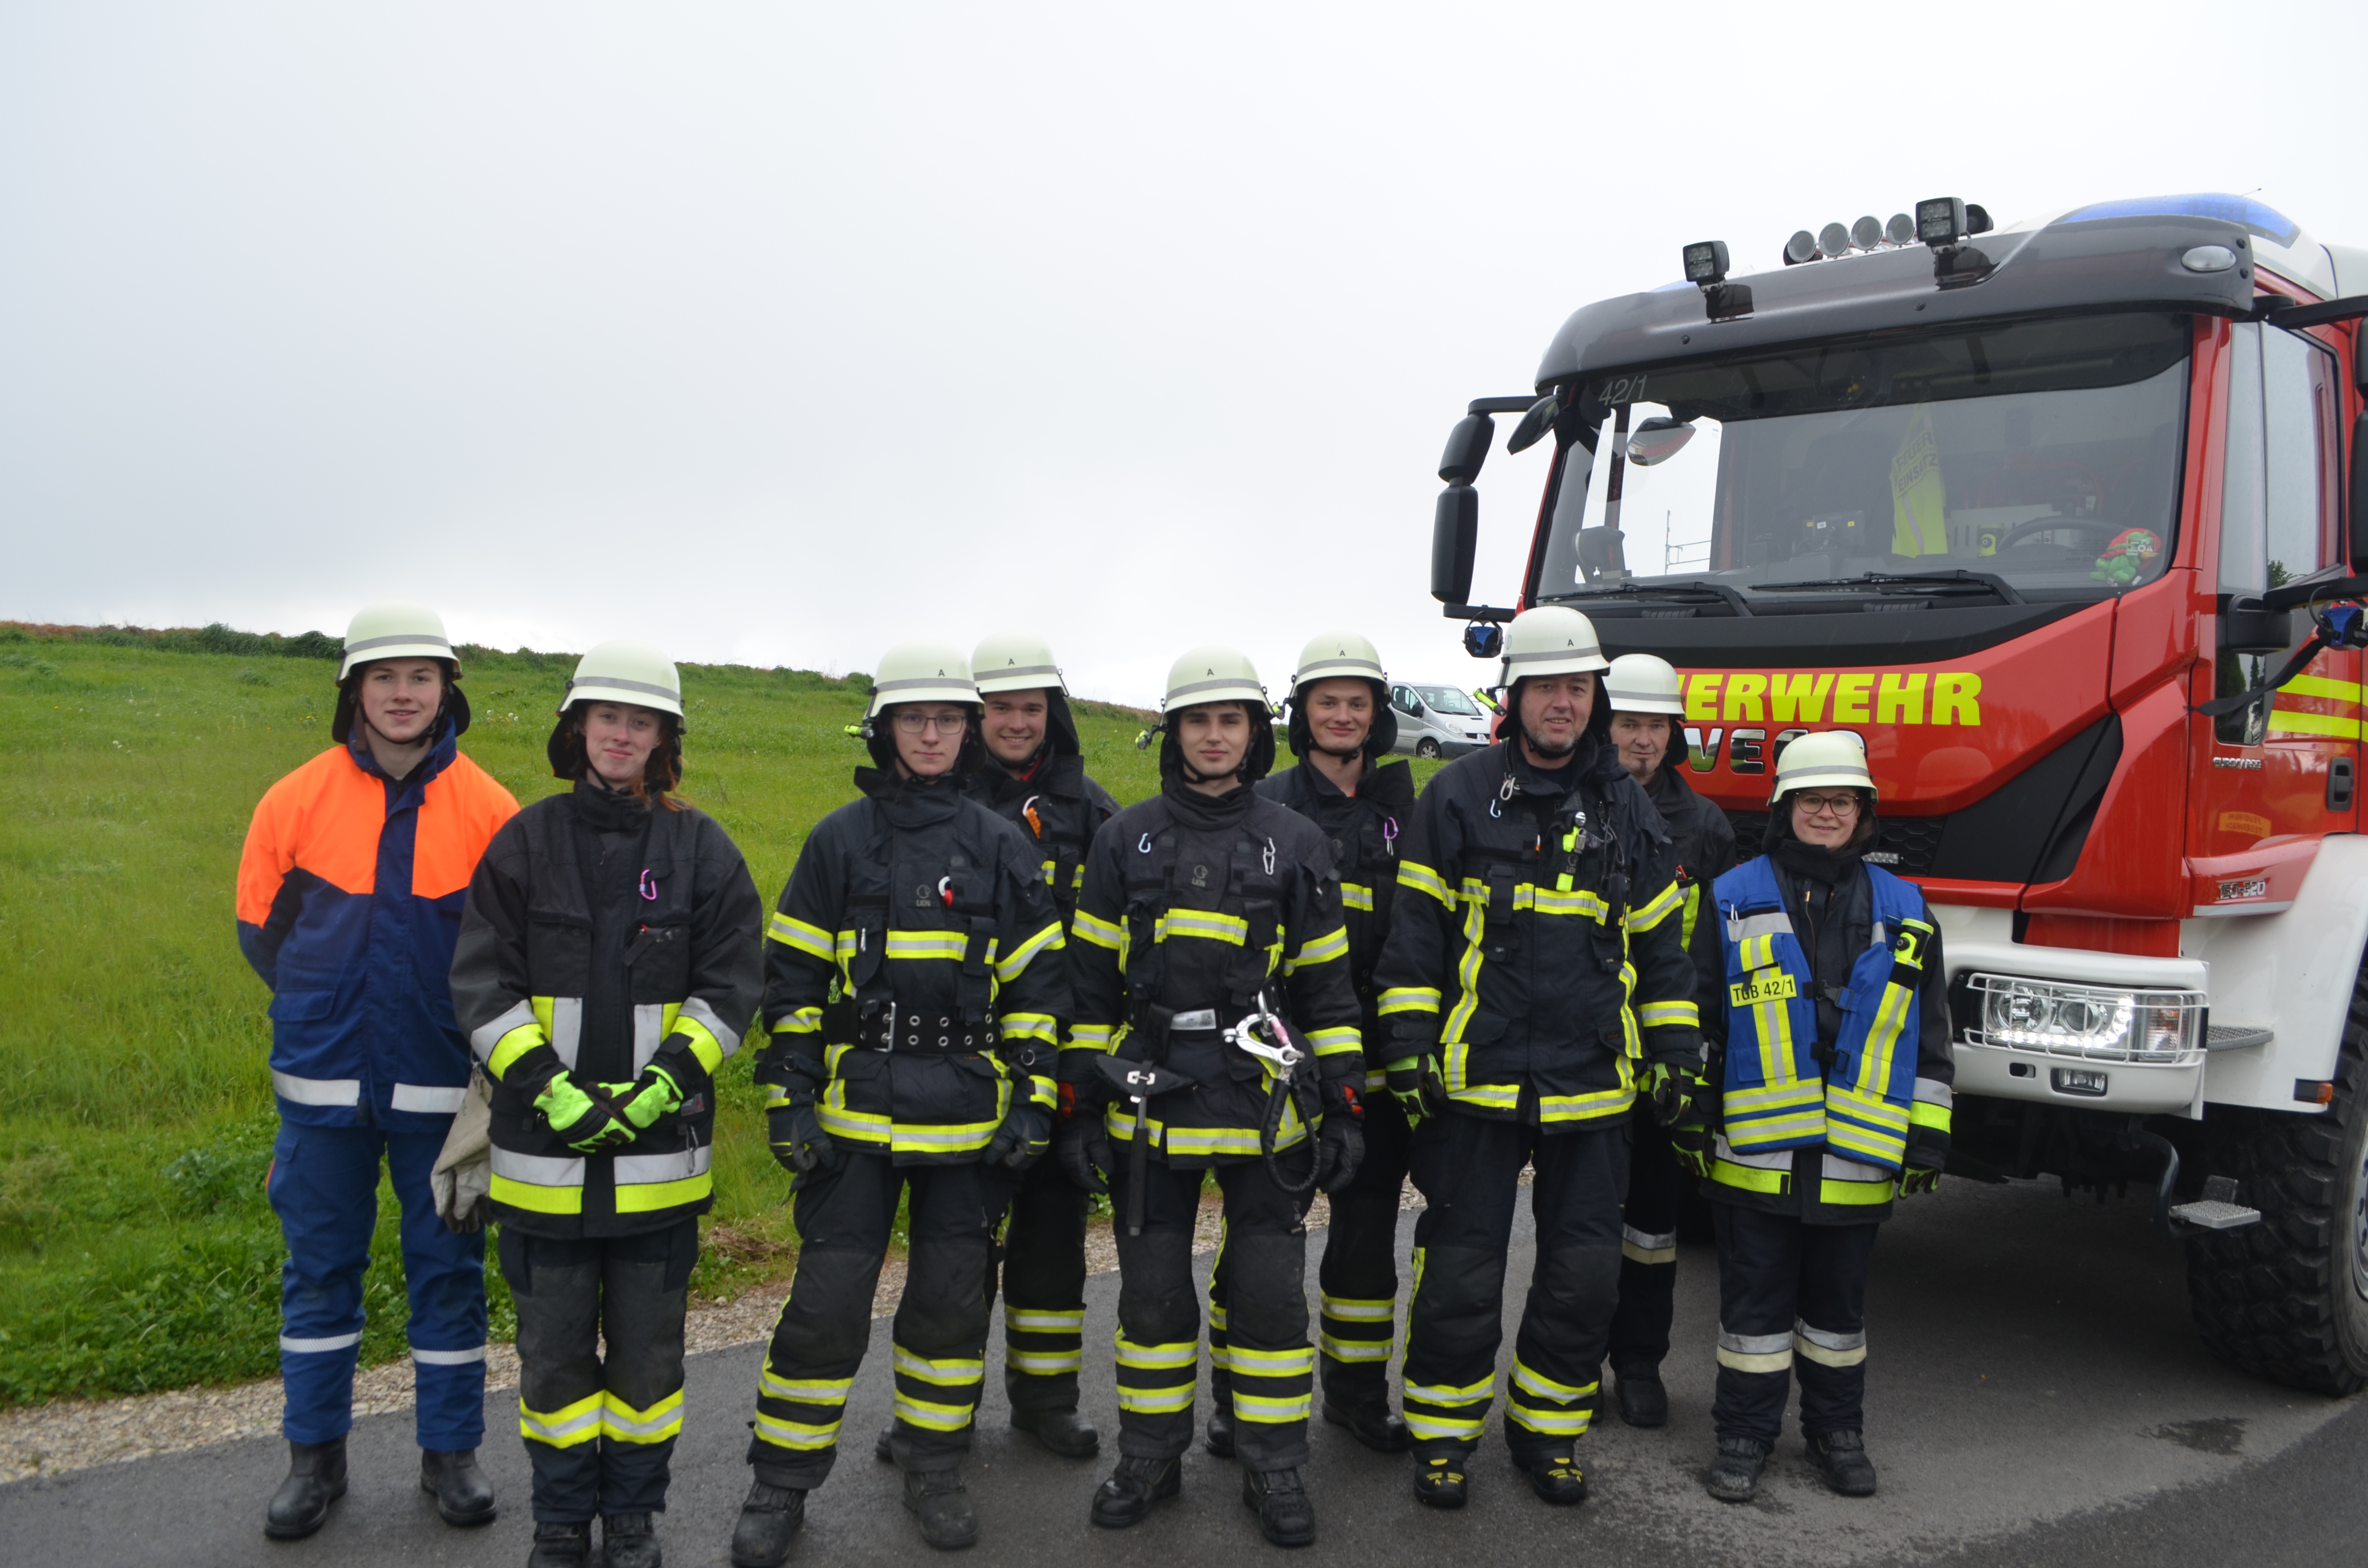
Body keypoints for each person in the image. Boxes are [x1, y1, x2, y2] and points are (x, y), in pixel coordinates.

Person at [731, 642, 1070, 1563]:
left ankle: (935, 1467)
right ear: (883, 731)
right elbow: (794, 981)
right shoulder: (839, 840)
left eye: (946, 719)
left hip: (966, 1124)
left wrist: (1033, 1102)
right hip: (854, 1123)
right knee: (826, 1307)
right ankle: (780, 1485)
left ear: (966, 733)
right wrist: (788, 1099)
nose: (930, 733)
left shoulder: (1001, 845)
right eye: (914, 719)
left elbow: (1038, 991)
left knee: (950, 1310)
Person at [1369, 605, 1701, 1510]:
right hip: (1477, 1084)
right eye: (1547, 686)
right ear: (1512, 695)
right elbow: (1416, 937)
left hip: (1592, 1084)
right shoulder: (1458, 793)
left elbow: (1661, 949)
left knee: (1583, 1277)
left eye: (1578, 687)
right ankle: (1443, 1438)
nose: (1564, 702)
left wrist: (1674, 1053)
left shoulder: (1627, 807)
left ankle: (1548, 1434)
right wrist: (1409, 1044)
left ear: (1596, 699)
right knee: (1460, 1273)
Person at [450, 642, 765, 1568]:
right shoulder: (524, 843)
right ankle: (558, 1523)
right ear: (577, 726)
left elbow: (731, 987)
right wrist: (550, 1090)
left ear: (665, 738)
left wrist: (664, 1084)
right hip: (541, 1170)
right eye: (607, 717)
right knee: (551, 1364)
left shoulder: (703, 851)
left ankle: (632, 1521)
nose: (622, 735)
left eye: (641, 721)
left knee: (648, 1364)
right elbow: (482, 987)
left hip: (658, 1172)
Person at [1063, 646, 1366, 1549]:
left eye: (1230, 720)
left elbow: (1328, 990)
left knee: (1269, 1297)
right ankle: (1150, 1457)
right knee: (1153, 1299)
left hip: (1263, 1099)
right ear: (1174, 733)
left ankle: (1273, 1465)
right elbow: (1089, 991)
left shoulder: (1297, 841)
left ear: (1255, 733)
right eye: (1198, 720)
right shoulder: (1123, 840)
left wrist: (1344, 1105)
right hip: (1149, 1100)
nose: (1214, 736)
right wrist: (1082, 1107)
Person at [235, 601, 518, 1540]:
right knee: (319, 1274)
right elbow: (262, 937)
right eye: (384, 677)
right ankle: (314, 1461)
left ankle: (452, 1457)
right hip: (322, 1093)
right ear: (353, 691)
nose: (403, 694)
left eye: (420, 677)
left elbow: (511, 956)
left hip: (441, 1096)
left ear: (447, 691)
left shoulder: (490, 810)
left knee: (449, 1273)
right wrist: (334, 1017)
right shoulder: (293, 800)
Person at [1696, 731, 1952, 1503]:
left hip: (1856, 1156)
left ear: (1864, 813)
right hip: (1756, 1154)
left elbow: (1929, 1032)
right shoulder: (1731, 895)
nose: (1827, 813)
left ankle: (1837, 1434)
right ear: (1785, 809)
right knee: (1754, 1313)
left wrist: (1927, 1136)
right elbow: (1702, 1014)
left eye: (1842, 801)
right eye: (1812, 800)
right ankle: (1743, 1437)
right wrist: (1693, 1110)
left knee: (1839, 1317)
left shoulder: (1907, 908)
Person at [1244, 631, 1416, 1454]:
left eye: (1357, 703)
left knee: (1366, 1239)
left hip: (1372, 1061)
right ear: (1301, 712)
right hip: (1276, 1063)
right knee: (1257, 1241)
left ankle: (1355, 1395)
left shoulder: (1406, 814)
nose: (1343, 716)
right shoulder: (1266, 804)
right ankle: (1235, 1403)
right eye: (1327, 702)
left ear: (1377, 715)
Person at [962, 631, 1122, 1457]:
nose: (1017, 723)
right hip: (962, 1060)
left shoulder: (1094, 813)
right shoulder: (944, 800)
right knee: (957, 1246)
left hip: (1061, 1057)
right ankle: (941, 1410)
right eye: (1000, 708)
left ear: (1052, 714)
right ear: (975, 715)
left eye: (1031, 708)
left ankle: (1046, 1400)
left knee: (1054, 1238)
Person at [1600, 654, 1737, 1428]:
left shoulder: (1705, 827)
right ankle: (1569, 1365)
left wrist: (1698, 1052)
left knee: (1653, 1226)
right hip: (1587, 1049)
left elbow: (1715, 954)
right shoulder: (1573, 804)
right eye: (1629, 724)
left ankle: (1639, 1364)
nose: (1642, 740)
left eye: (1655, 726)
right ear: (1605, 727)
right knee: (1581, 1225)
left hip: (1663, 1051)